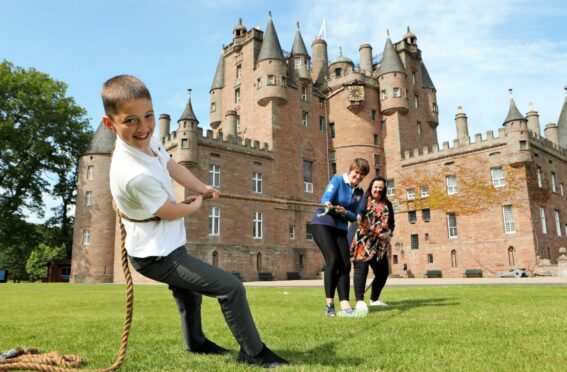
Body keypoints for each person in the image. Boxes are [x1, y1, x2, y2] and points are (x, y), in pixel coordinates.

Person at [101, 75, 288, 368]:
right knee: (230, 287)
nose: (144, 127)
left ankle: (197, 344)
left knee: (189, 294)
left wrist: (201, 187)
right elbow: (168, 211)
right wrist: (194, 205)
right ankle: (255, 353)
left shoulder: (151, 143)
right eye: (131, 121)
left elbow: (173, 165)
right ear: (109, 125)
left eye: (148, 116)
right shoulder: (131, 173)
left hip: (167, 244)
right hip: (155, 255)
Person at [310, 158, 370, 317]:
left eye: (361, 175)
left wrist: (346, 213)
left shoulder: (359, 192)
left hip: (340, 228)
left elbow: (354, 216)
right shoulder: (337, 180)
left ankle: (345, 305)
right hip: (323, 223)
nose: (357, 177)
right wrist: (329, 205)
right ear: (351, 170)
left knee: (345, 264)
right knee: (333, 259)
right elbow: (325, 199)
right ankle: (329, 305)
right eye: (356, 173)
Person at [348, 176, 395, 311]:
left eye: (381, 188)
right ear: (371, 187)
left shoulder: (388, 204)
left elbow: (392, 224)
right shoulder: (365, 199)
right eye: (376, 187)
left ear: (384, 189)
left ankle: (374, 299)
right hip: (364, 240)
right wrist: (358, 217)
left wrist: (388, 233)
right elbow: (361, 212)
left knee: (383, 272)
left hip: (380, 244)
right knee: (361, 269)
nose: (378, 190)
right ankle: (359, 301)